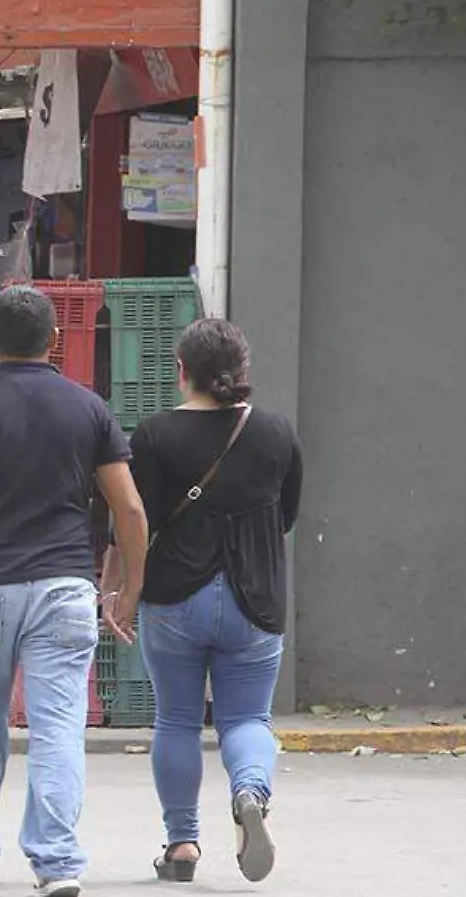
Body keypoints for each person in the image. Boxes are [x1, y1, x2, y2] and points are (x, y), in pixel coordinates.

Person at [0, 285, 148, 897]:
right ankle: (58, 860)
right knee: (59, 726)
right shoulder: (88, 408)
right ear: (54, 341)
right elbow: (131, 510)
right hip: (65, 587)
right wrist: (129, 590)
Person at [109, 318, 302, 885]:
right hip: (255, 601)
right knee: (247, 717)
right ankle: (249, 791)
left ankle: (182, 844)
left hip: (174, 598)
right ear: (243, 373)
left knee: (176, 719)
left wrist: (121, 588)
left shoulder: (153, 436)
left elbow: (131, 521)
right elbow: (285, 517)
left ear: (181, 372)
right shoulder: (276, 432)